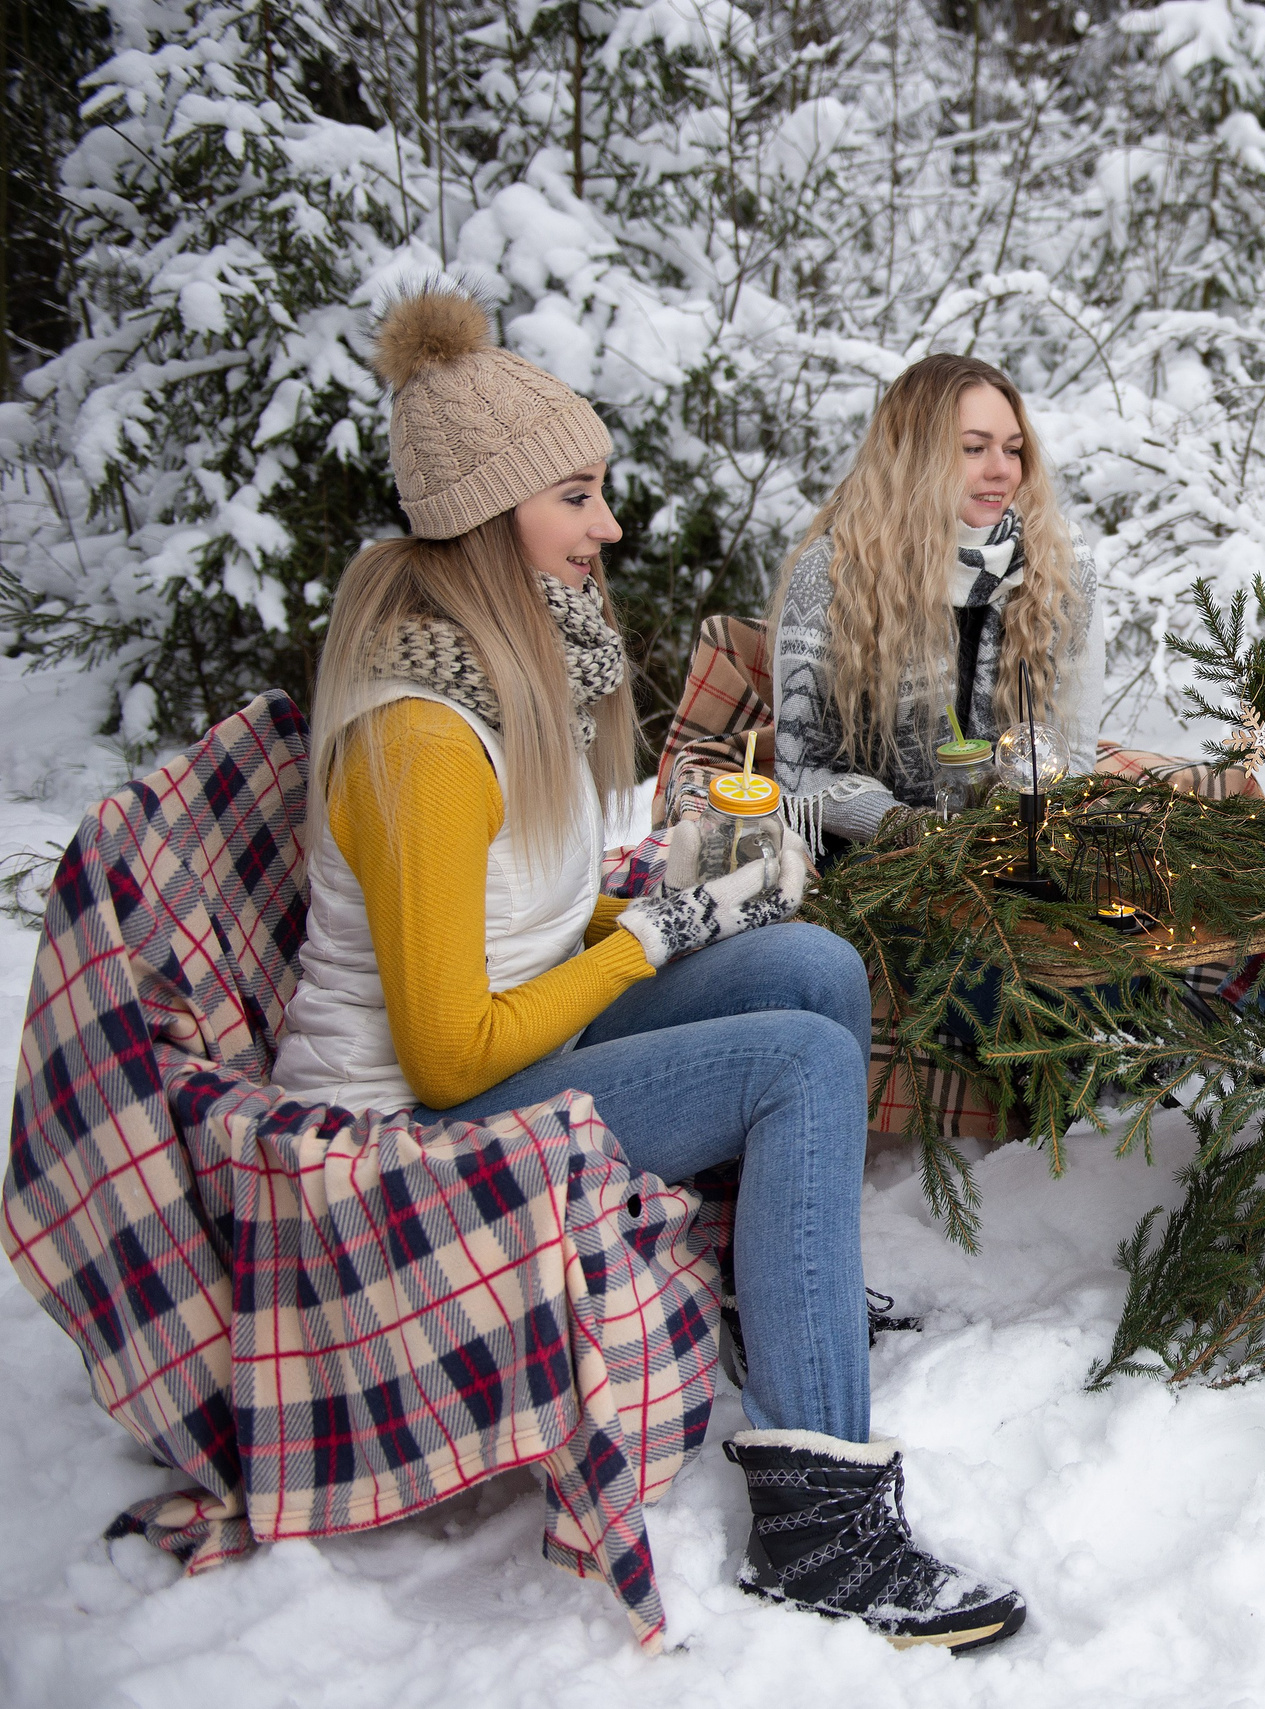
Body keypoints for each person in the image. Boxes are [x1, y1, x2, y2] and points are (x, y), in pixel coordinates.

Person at [268, 288, 1025, 1651]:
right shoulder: (426, 735)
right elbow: (447, 1052)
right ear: (491, 515)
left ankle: (785, 1285)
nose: (609, 527)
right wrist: (644, 943)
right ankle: (820, 1527)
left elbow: (528, 917)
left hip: (514, 1049)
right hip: (403, 1137)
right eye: (577, 495)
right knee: (795, 1060)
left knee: (807, 961)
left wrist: (698, 890)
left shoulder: (511, 664)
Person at [769, 352, 1097, 852]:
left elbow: (1072, 748)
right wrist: (903, 829)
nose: (1001, 471)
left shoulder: (1059, 564)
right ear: (914, 456)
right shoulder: (835, 572)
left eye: (1012, 450)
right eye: (972, 449)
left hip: (1017, 851)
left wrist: (1016, 831)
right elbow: (801, 769)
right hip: (874, 867)